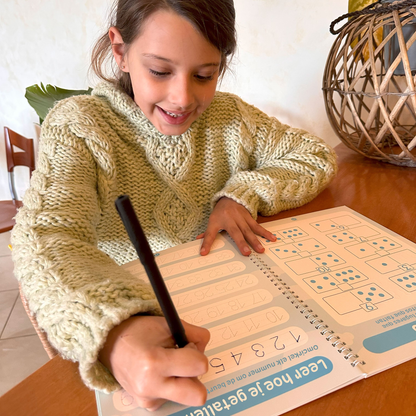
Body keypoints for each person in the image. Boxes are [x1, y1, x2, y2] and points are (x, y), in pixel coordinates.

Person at [11, 0, 337, 411]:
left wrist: (240, 193)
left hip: (235, 304)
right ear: (119, 50)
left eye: (205, 75)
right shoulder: (79, 126)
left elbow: (312, 155)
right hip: (139, 314)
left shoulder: (230, 117)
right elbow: (47, 234)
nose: (182, 97)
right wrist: (115, 333)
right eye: (160, 71)